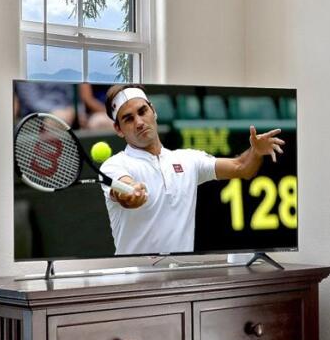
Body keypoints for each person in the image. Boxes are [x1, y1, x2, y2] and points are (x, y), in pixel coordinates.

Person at [97, 85, 285, 256]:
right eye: (128, 119)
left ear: (153, 111)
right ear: (118, 129)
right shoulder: (114, 166)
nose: (139, 122)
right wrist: (131, 193)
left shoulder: (188, 159)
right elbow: (122, 189)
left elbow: (242, 167)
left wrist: (256, 151)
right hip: (134, 282)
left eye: (142, 111)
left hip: (180, 277)